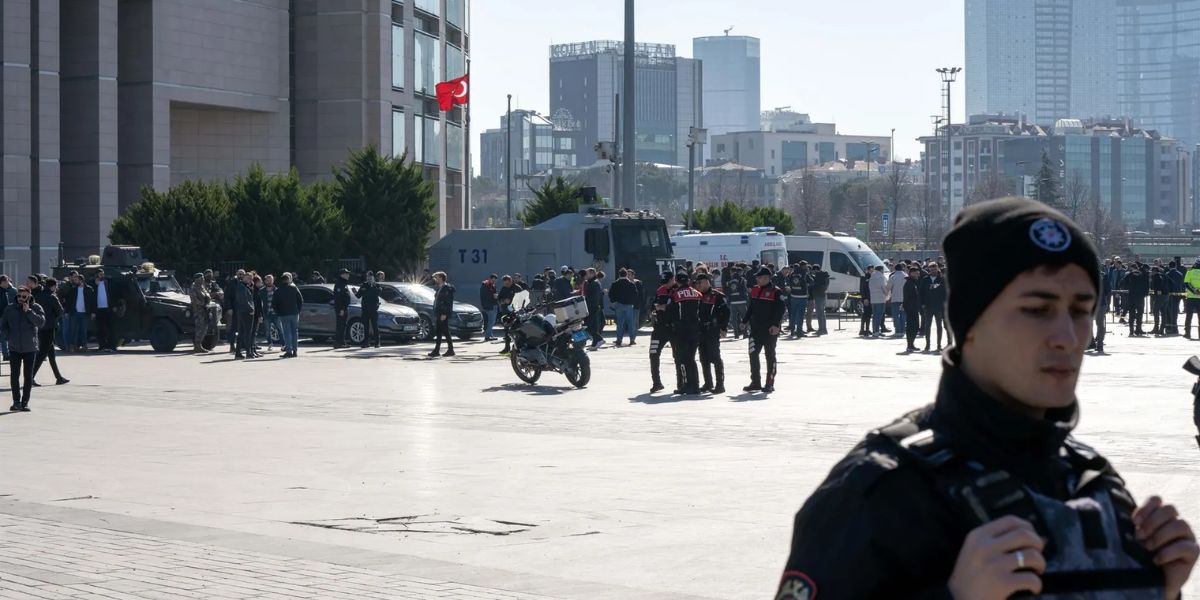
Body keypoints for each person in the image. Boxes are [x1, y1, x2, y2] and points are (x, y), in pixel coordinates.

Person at [775, 198, 1199, 599]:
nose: (1067, 339)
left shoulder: (1092, 482)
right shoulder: (882, 494)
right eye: (1037, 309)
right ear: (970, 322)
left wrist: (1152, 587)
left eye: (1081, 310)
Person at [2, 286, 45, 411]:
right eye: (19, 296)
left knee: (28, 376)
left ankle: (25, 402)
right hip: (14, 347)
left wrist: (29, 312)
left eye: (24, 296)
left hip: (30, 348)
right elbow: (3, 325)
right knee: (14, 375)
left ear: (29, 297)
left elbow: (41, 323)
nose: (21, 299)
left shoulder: (36, 307)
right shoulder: (10, 308)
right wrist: (8, 337)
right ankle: (16, 402)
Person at [743, 267, 786, 393]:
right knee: (753, 354)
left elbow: (780, 310)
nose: (757, 279)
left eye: (759, 277)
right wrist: (744, 321)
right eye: (757, 277)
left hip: (770, 330)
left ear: (766, 278)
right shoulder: (755, 290)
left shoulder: (776, 292)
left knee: (770, 356)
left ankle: (769, 383)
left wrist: (776, 325)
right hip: (755, 329)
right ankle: (755, 382)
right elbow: (751, 308)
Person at [662, 272, 702, 395]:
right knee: (692, 358)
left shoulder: (676, 295)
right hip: (696, 330)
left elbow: (671, 312)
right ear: (688, 280)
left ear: (677, 282)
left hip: (681, 331)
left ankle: (685, 385)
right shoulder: (698, 294)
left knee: (682, 359)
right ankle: (695, 385)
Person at [31, 276, 67, 386]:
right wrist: (53, 317)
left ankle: (58, 377)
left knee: (51, 354)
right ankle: (30, 377)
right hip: (49, 327)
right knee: (42, 354)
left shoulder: (38, 295)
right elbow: (60, 311)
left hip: (40, 326)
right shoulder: (52, 296)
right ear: (53, 286)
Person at [696, 274, 729, 394]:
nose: (698, 286)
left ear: (706, 282)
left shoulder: (717, 296)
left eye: (700, 283)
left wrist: (723, 327)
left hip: (712, 330)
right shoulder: (698, 296)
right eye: (697, 283)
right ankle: (708, 383)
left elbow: (726, 312)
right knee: (703, 358)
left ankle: (720, 384)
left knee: (715, 356)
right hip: (701, 330)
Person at [648, 272, 677, 393]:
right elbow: (653, 306)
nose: (665, 285)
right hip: (659, 328)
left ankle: (681, 383)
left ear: (672, 279)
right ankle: (657, 382)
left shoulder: (678, 290)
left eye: (667, 282)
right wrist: (660, 307)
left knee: (678, 356)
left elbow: (673, 308)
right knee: (653, 353)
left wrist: (662, 307)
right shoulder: (660, 290)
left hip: (674, 328)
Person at [272, 273, 303, 358]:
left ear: (282, 280)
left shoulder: (278, 291)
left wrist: (278, 312)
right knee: (294, 332)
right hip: (294, 313)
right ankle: (295, 351)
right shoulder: (294, 288)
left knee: (287, 333)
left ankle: (288, 350)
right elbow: (300, 300)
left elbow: (274, 304)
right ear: (288, 280)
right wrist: (298, 310)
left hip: (284, 314)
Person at [920, 262, 947, 352]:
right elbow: (921, 293)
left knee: (939, 326)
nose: (933, 270)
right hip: (928, 306)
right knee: (928, 326)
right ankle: (927, 345)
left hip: (938, 307)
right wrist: (922, 304)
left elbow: (945, 293)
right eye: (931, 269)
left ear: (938, 269)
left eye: (935, 268)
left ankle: (939, 345)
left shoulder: (941, 279)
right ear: (929, 269)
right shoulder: (925, 279)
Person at [609, 268, 640, 346]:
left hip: (619, 305)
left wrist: (614, 301)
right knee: (631, 323)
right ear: (626, 274)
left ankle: (619, 340)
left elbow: (611, 294)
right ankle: (632, 340)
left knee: (620, 323)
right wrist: (632, 302)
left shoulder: (615, 284)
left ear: (619, 275)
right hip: (629, 305)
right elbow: (635, 294)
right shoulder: (631, 284)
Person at [428, 272, 456, 358]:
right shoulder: (440, 288)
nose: (435, 279)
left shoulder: (446, 288)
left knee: (445, 331)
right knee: (439, 332)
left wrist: (444, 314)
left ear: (441, 278)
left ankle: (451, 350)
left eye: (436, 277)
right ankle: (436, 350)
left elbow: (447, 302)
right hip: (439, 313)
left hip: (443, 313)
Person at [63, 273, 93, 353]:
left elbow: (92, 302)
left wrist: (93, 312)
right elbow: (69, 302)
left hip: (85, 313)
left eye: (77, 280)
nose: (75, 281)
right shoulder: (73, 290)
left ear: (81, 280)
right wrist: (67, 312)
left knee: (83, 330)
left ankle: (84, 346)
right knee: (73, 330)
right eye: (75, 280)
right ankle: (72, 346)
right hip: (74, 313)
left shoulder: (89, 289)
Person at [234, 272, 257, 359]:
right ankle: (248, 352)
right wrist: (251, 309)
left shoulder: (245, 287)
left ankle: (238, 352)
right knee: (247, 333)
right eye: (249, 278)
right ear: (244, 278)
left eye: (251, 278)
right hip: (246, 312)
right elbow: (244, 300)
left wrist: (251, 287)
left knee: (242, 333)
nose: (250, 280)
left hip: (243, 311)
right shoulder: (241, 287)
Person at [355, 272, 382, 348]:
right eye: (368, 277)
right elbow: (358, 296)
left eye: (370, 277)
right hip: (365, 309)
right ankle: (366, 342)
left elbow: (379, 292)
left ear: (373, 278)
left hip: (373, 309)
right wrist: (355, 292)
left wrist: (373, 285)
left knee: (375, 326)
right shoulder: (364, 285)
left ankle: (377, 343)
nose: (369, 278)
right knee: (365, 326)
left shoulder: (377, 285)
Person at [785, 263, 812, 339]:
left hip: (793, 296)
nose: (806, 267)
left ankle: (792, 331)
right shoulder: (804, 273)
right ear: (803, 266)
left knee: (793, 314)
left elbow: (788, 282)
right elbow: (812, 281)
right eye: (806, 266)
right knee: (800, 315)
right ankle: (799, 332)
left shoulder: (793, 273)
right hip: (802, 296)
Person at [92, 270, 117, 351]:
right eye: (100, 274)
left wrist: (113, 305)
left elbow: (113, 294)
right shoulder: (93, 284)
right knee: (100, 329)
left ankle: (112, 346)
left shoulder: (108, 283)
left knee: (110, 328)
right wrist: (93, 311)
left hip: (108, 308)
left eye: (103, 274)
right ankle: (102, 346)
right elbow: (91, 298)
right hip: (98, 309)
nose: (102, 275)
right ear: (96, 275)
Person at [189, 273, 213, 353]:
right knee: (199, 328)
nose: (203, 279)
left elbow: (206, 294)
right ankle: (197, 346)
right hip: (199, 311)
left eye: (203, 278)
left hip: (205, 310)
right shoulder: (193, 288)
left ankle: (200, 345)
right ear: (197, 279)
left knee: (205, 328)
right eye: (201, 278)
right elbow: (194, 300)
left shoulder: (202, 286)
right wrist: (203, 304)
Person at [1125, 263, 1149, 336]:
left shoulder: (1130, 274)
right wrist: (1145, 294)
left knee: (1131, 314)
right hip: (1140, 297)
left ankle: (1131, 331)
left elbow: (1123, 282)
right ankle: (1138, 329)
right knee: (1140, 314)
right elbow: (1147, 285)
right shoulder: (1143, 275)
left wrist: (1129, 288)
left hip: (1131, 296)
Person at [725, 266, 749, 339]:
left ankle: (736, 334)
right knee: (744, 318)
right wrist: (746, 300)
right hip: (741, 301)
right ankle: (745, 333)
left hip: (733, 302)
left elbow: (728, 292)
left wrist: (729, 301)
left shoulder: (730, 281)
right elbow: (744, 290)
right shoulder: (742, 280)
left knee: (734, 319)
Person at [902, 266, 923, 353]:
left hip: (915, 307)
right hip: (910, 308)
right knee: (911, 327)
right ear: (910, 273)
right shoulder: (909, 283)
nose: (916, 274)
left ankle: (911, 344)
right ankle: (909, 345)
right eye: (914, 272)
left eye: (917, 272)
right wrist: (906, 307)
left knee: (915, 326)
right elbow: (907, 297)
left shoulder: (916, 282)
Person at [583, 268, 605, 349]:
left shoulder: (594, 283)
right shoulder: (591, 282)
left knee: (587, 326)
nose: (586, 275)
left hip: (592, 307)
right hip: (593, 307)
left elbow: (595, 297)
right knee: (593, 326)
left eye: (587, 273)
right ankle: (594, 344)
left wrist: (586, 300)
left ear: (592, 274)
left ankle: (599, 339)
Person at [887, 262, 908, 339]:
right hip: (905, 299)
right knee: (903, 315)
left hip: (895, 298)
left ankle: (898, 331)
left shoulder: (893, 277)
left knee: (896, 315)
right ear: (902, 268)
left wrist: (887, 297)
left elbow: (888, 288)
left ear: (895, 269)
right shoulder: (906, 276)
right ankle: (903, 330)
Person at [496, 275, 516, 354]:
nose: (506, 285)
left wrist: (511, 301)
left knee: (517, 331)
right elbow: (499, 299)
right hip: (506, 313)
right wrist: (503, 301)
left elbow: (524, 299)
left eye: (508, 283)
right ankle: (507, 348)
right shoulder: (503, 289)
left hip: (515, 312)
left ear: (511, 281)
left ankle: (517, 348)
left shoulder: (517, 288)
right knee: (507, 331)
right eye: (505, 284)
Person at [808, 264, 830, 335]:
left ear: (815, 270)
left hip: (818, 295)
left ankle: (821, 329)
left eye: (813, 271)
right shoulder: (825, 275)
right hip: (823, 294)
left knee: (819, 313)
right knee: (822, 313)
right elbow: (826, 285)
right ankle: (824, 329)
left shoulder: (817, 276)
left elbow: (813, 284)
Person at [333, 268, 351, 348]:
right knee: (340, 325)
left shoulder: (344, 283)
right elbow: (338, 299)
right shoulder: (339, 284)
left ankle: (342, 342)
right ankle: (338, 343)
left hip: (344, 308)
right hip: (341, 309)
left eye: (348, 273)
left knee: (343, 325)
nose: (348, 275)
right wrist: (342, 309)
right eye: (346, 274)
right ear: (342, 275)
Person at [869, 263, 889, 337]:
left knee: (874, 316)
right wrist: (887, 294)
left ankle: (875, 330)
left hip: (873, 300)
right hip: (880, 299)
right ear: (881, 270)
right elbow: (884, 288)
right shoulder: (881, 277)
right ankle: (877, 331)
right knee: (879, 316)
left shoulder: (872, 277)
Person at [262, 275, 280, 351]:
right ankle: (270, 344)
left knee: (280, 329)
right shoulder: (262, 291)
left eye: (271, 280)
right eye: (268, 280)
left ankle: (283, 344)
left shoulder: (277, 290)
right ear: (265, 281)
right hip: (266, 313)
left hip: (275, 313)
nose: (269, 281)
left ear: (273, 281)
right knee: (267, 330)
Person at [479, 274, 499, 342]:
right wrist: (494, 296)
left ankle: (490, 335)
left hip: (492, 305)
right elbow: (486, 296)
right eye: (493, 280)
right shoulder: (486, 285)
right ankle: (487, 336)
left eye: (495, 280)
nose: (494, 282)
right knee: (491, 322)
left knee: (491, 322)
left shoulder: (490, 285)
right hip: (490, 306)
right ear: (490, 279)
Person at [0, 275, 14, 360]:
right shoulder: (2, 292)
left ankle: (6, 353)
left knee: (4, 335)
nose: (7, 283)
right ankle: (6, 354)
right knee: (4, 335)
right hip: (2, 316)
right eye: (6, 282)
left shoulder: (5, 291)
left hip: (3, 316)